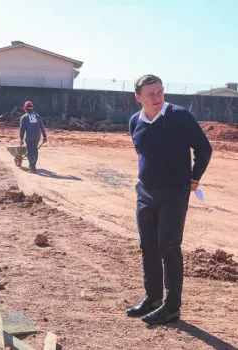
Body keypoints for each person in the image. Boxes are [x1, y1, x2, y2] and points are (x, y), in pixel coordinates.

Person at [127, 74, 212, 325]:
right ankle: (152, 298)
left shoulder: (179, 116)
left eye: (160, 91)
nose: (157, 97)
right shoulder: (135, 122)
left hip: (174, 192)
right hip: (145, 192)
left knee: (169, 247)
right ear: (138, 97)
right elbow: (144, 154)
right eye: (150, 93)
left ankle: (172, 307)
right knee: (148, 246)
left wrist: (194, 178)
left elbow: (204, 149)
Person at [19, 101, 47, 173]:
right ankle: (32, 164)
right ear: (32, 108)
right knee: (35, 150)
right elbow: (42, 126)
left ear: (25, 108)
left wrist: (21, 139)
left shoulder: (24, 117)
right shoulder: (37, 116)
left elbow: (22, 129)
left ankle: (32, 168)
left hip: (30, 136)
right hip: (37, 136)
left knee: (30, 151)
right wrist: (45, 136)